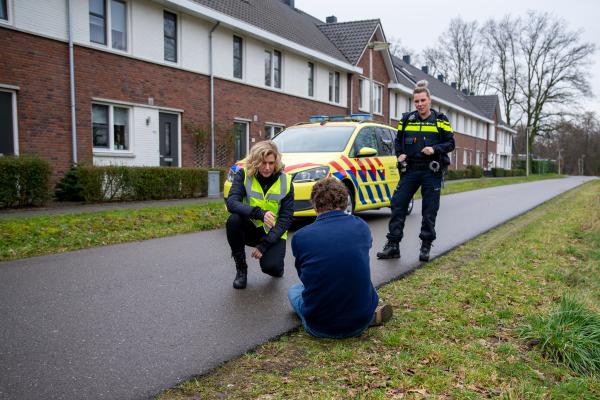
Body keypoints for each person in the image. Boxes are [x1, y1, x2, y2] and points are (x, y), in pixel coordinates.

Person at [288, 178, 392, 338]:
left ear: (315, 205)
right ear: (345, 203)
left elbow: (305, 277)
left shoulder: (300, 237)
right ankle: (368, 315)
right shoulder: (361, 226)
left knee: (294, 290)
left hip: (320, 327)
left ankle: (331, 316)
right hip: (360, 322)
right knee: (356, 277)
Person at [377, 80, 455, 262]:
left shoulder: (441, 120)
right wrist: (400, 154)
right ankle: (393, 245)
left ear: (429, 100)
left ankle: (426, 245)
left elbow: (451, 143)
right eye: (416, 101)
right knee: (397, 205)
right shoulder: (406, 120)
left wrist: (434, 149)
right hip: (410, 169)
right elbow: (398, 141)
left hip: (431, 171)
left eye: (422, 100)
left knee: (429, 210)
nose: (420, 104)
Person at [226, 140, 294, 289]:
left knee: (272, 268)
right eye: (263, 163)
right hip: (251, 227)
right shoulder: (244, 175)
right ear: (255, 161)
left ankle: (276, 265)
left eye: (271, 163)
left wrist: (264, 245)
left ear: (276, 161)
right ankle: (241, 269)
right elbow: (231, 203)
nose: (267, 168)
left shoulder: (286, 181)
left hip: (273, 232)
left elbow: (286, 218)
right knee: (233, 220)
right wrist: (259, 213)